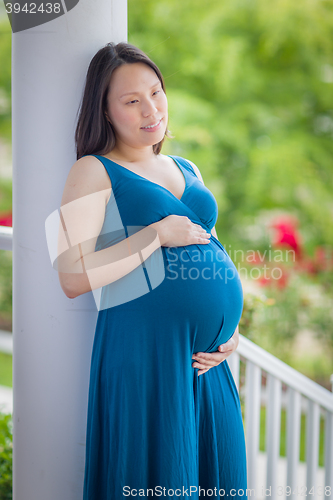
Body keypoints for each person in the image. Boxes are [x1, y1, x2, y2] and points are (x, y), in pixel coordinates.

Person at [57, 42, 248, 499]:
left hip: (207, 362)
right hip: (145, 354)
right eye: (131, 100)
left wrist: (232, 333)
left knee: (218, 478)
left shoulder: (186, 166)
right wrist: (155, 236)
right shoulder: (93, 170)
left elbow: (209, 245)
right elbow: (71, 277)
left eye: (156, 93)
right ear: (104, 111)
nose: (151, 109)